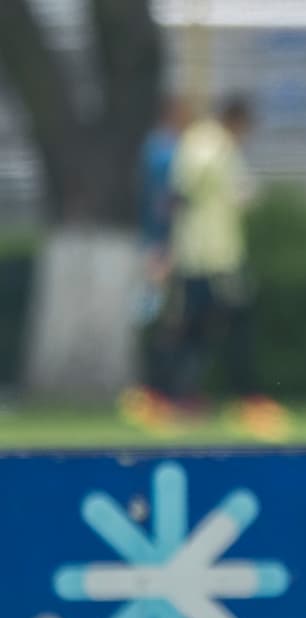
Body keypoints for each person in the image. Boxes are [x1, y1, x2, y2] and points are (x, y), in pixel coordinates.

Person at [166, 92, 291, 440]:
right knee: (230, 327)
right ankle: (244, 401)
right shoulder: (213, 144)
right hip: (213, 256)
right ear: (237, 120)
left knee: (200, 329)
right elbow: (191, 188)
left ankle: (184, 399)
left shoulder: (201, 141)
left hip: (202, 255)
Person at [118, 94, 190, 434]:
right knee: (161, 320)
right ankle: (152, 395)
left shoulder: (152, 148)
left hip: (153, 244)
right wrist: (166, 246)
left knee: (157, 317)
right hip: (161, 248)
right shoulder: (167, 152)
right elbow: (166, 202)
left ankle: (152, 393)